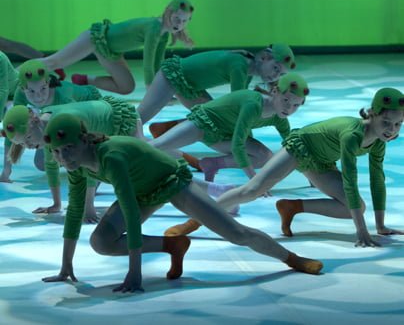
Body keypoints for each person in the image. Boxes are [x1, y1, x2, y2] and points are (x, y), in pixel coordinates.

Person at [41, 114, 323, 294]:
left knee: (236, 233)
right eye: (56, 152)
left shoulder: (111, 157)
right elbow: (74, 211)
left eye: (69, 148)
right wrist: (66, 266)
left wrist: (134, 274)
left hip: (171, 181)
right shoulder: (77, 165)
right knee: (101, 242)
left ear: (85, 139)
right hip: (142, 191)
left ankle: (291, 258)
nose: (64, 158)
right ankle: (173, 245)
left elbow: (130, 211)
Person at [166, 88, 404, 247]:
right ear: (372, 113)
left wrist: (380, 226)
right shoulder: (352, 135)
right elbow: (350, 180)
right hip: (300, 147)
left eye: (398, 124)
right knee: (252, 190)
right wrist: (361, 231)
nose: (391, 130)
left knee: (356, 207)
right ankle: (195, 221)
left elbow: (377, 180)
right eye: (386, 122)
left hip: (321, 161)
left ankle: (292, 207)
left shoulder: (379, 141)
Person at [149, 73, 308, 181]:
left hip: (224, 136)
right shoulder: (253, 105)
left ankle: (212, 164)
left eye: (296, 105)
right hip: (203, 124)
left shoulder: (280, 118)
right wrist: (254, 182)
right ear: (275, 91)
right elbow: (238, 145)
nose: (289, 109)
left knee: (264, 157)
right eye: (286, 100)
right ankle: (134, 145)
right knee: (156, 146)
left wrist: (311, 177)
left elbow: (293, 150)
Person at [2, 96, 142, 220]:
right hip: (105, 124)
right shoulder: (47, 127)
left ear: (36, 121)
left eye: (28, 138)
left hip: (121, 118)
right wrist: (56, 204)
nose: (28, 146)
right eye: (22, 144)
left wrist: (89, 208)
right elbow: (51, 166)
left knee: (141, 160)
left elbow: (90, 161)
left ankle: (159, 141)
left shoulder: (64, 125)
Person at [41, 0, 194, 94]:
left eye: (184, 21)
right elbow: (148, 63)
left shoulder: (164, 34)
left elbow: (157, 63)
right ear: (168, 12)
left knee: (127, 87)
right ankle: (25, 76)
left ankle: (83, 80)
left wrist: (161, 87)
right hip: (96, 38)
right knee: (53, 62)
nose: (179, 24)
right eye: (176, 18)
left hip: (110, 52)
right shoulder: (154, 28)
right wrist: (152, 90)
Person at [137, 44, 296, 128]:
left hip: (191, 87)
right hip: (174, 74)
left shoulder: (247, 70)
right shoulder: (239, 65)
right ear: (264, 57)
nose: (276, 76)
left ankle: (166, 129)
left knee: (212, 119)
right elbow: (238, 104)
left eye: (281, 74)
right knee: (139, 119)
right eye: (276, 68)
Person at [0, 60, 102, 183]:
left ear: (48, 83)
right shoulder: (20, 94)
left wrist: (90, 169)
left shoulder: (63, 96)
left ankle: (86, 80)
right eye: (31, 91)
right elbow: (15, 128)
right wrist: (6, 170)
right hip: (53, 118)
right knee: (41, 163)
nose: (38, 97)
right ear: (23, 88)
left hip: (91, 106)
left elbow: (83, 124)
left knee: (76, 145)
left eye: (43, 89)